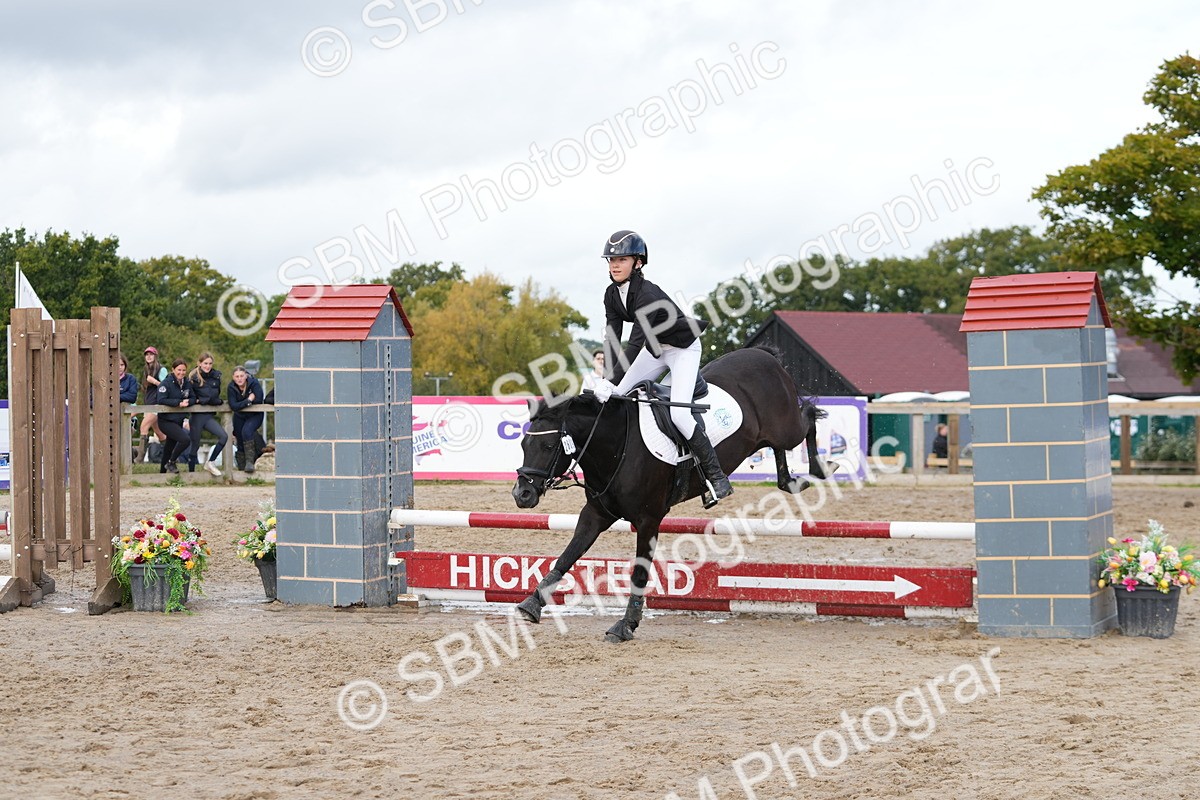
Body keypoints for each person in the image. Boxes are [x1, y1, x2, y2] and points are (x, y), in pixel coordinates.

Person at [590, 229, 732, 503]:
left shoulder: (647, 295)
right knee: (618, 397)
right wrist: (608, 380)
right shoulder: (611, 294)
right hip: (655, 350)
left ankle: (716, 477)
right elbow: (611, 339)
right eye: (610, 260)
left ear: (638, 262)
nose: (614, 265)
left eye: (621, 259)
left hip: (681, 350)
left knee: (679, 415)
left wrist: (610, 381)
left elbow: (633, 345)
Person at [187, 353, 229, 477]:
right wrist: (205, 399)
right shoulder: (193, 377)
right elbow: (192, 397)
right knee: (195, 445)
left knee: (224, 436)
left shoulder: (216, 376)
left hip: (208, 415)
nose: (208, 366)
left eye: (210, 363)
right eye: (205, 363)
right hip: (197, 416)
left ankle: (210, 462)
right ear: (199, 363)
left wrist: (209, 400)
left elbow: (214, 396)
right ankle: (191, 474)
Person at [155, 359, 193, 473]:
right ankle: (171, 462)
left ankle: (162, 473)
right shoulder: (165, 383)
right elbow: (161, 399)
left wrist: (188, 402)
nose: (181, 373)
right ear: (173, 370)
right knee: (185, 440)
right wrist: (178, 403)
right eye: (179, 370)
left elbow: (192, 397)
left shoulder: (187, 383)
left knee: (169, 446)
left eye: (184, 370)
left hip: (178, 420)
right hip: (165, 421)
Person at [228, 365, 265, 474]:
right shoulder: (231, 387)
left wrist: (242, 404)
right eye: (237, 376)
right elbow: (233, 405)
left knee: (247, 431)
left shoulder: (254, 384)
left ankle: (250, 462)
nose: (239, 378)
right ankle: (241, 467)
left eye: (241, 376)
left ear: (246, 376)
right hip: (239, 416)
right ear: (233, 377)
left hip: (255, 415)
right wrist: (248, 400)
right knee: (239, 437)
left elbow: (258, 400)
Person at [135, 346, 168, 463]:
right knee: (159, 433)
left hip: (157, 403)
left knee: (143, 427)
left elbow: (166, 387)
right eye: (147, 354)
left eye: (151, 354)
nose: (149, 356)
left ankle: (139, 458)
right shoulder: (146, 370)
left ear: (155, 356)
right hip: (148, 403)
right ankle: (171, 455)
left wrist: (154, 381)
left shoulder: (161, 370)